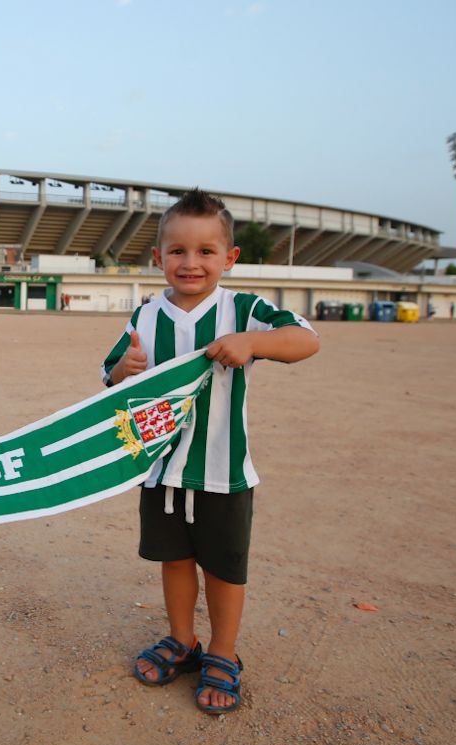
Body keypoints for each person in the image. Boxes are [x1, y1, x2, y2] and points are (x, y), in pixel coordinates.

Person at [101, 189, 319, 715]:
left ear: (230, 258)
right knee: (174, 561)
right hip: (161, 470)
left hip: (224, 473)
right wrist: (119, 373)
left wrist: (253, 343)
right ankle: (183, 640)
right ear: (158, 258)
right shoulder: (145, 315)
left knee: (223, 568)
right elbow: (111, 378)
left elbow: (306, 339)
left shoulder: (242, 309)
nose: (191, 263)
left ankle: (223, 652)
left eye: (205, 251)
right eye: (177, 251)